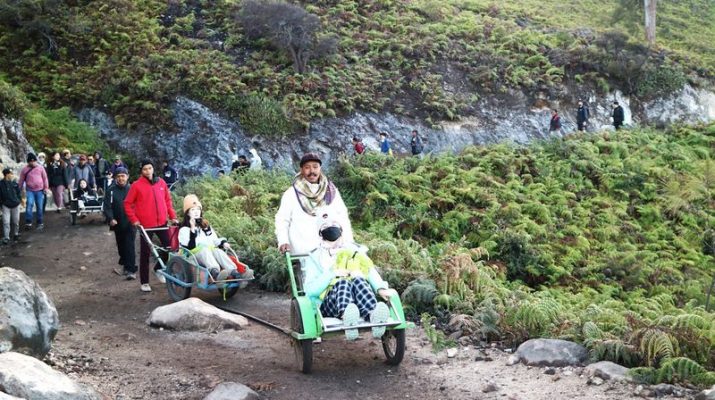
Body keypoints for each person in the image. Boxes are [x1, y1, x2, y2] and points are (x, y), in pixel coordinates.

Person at [303, 219, 391, 340]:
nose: (331, 228)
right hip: (329, 302)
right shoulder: (315, 257)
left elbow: (369, 270)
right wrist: (332, 274)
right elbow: (310, 290)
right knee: (342, 282)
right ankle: (348, 317)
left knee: (359, 280)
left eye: (334, 226)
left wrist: (380, 287)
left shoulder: (354, 250)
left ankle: (373, 314)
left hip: (357, 300)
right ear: (321, 235)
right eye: (327, 227)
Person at [275, 152, 353, 255]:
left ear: (320, 168)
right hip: (303, 253)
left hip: (331, 251)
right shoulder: (291, 194)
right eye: (307, 167)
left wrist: (349, 240)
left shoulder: (331, 191)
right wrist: (283, 241)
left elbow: (342, 216)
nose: (312, 171)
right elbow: (282, 220)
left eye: (315, 167)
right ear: (301, 170)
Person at [124, 159, 178, 292]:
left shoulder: (161, 182)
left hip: (162, 223)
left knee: (169, 247)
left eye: (150, 168)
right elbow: (127, 204)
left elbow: (167, 200)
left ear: (153, 168)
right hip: (145, 225)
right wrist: (134, 220)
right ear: (141, 171)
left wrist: (173, 216)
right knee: (145, 253)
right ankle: (144, 282)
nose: (148, 171)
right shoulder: (136, 185)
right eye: (145, 169)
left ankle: (158, 269)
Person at [178, 194, 254, 286]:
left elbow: (214, 239)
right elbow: (190, 247)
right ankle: (216, 274)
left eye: (198, 209)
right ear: (187, 213)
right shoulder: (184, 230)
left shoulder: (205, 226)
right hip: (193, 255)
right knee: (205, 250)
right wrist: (193, 229)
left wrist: (223, 243)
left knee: (218, 251)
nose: (196, 212)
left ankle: (235, 273)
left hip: (209, 252)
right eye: (192, 210)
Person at [103, 167, 136, 280]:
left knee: (129, 245)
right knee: (121, 246)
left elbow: (139, 204)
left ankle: (131, 270)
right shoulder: (111, 190)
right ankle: (125, 262)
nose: (121, 178)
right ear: (115, 178)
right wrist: (110, 218)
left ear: (127, 176)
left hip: (131, 222)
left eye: (123, 176)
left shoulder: (132, 189)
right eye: (119, 176)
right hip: (117, 222)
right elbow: (107, 206)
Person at [18, 153, 50, 230]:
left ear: (36, 160)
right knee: (29, 205)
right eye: (31, 161)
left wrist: (46, 188)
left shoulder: (40, 168)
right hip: (30, 191)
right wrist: (18, 189)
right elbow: (21, 180)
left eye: (34, 161)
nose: (33, 163)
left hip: (40, 190)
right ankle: (28, 222)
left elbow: (45, 178)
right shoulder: (24, 169)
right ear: (28, 162)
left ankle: (40, 222)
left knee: (39, 207)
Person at [0, 168, 22, 244]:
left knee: (16, 221)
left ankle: (16, 234)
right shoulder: (0, 184)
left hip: (16, 205)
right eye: (10, 173)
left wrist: (19, 200)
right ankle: (6, 238)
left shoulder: (14, 183)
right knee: (6, 222)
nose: (12, 175)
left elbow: (19, 192)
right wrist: (1, 205)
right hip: (5, 205)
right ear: (6, 174)